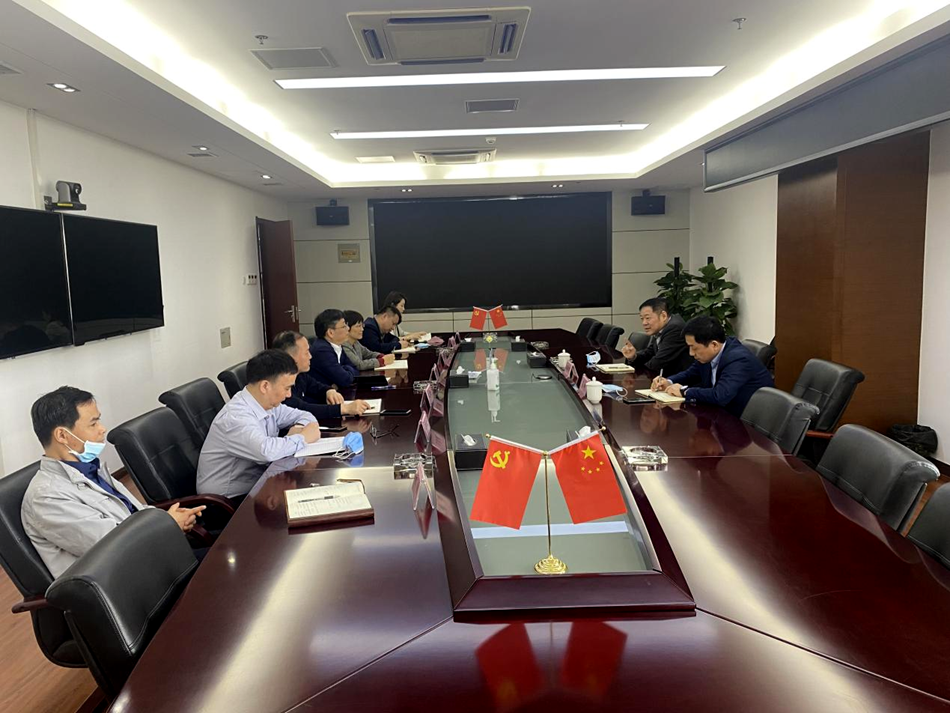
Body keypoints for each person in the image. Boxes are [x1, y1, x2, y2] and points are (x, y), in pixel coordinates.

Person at [21, 386, 203, 578]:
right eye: (93, 424)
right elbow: (113, 550)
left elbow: (134, 513)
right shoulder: (46, 497)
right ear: (62, 436)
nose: (102, 429)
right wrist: (169, 525)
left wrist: (169, 518)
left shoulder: (90, 469)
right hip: (133, 583)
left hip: (154, 561)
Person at [197, 349, 321, 499]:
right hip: (228, 499)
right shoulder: (236, 417)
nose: (289, 395)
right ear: (265, 386)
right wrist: (303, 437)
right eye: (287, 388)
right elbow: (266, 452)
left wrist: (298, 428)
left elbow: (305, 415)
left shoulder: (268, 404)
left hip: (258, 482)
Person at [651, 315, 774, 417]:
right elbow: (690, 374)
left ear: (714, 345)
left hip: (743, 423)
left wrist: (685, 391)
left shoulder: (738, 359)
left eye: (694, 348)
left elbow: (720, 396)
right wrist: (668, 381)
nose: (691, 353)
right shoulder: (709, 355)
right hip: (719, 415)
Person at [272, 330, 370, 416]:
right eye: (306, 352)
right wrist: (344, 409)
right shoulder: (278, 382)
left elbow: (317, 387)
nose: (310, 356)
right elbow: (301, 408)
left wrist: (329, 391)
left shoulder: (300, 375)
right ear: (290, 357)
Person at [620, 297, 693, 374]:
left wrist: (638, 371)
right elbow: (649, 353)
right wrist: (633, 357)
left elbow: (658, 361)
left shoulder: (675, 328)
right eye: (642, 318)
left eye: (647, 318)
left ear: (663, 316)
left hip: (681, 379)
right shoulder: (662, 328)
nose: (644, 323)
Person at [310, 309, 360, 387]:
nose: (348, 328)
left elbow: (356, 370)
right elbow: (345, 380)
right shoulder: (322, 351)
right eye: (344, 326)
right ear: (330, 333)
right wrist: (345, 369)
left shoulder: (337, 346)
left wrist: (343, 369)